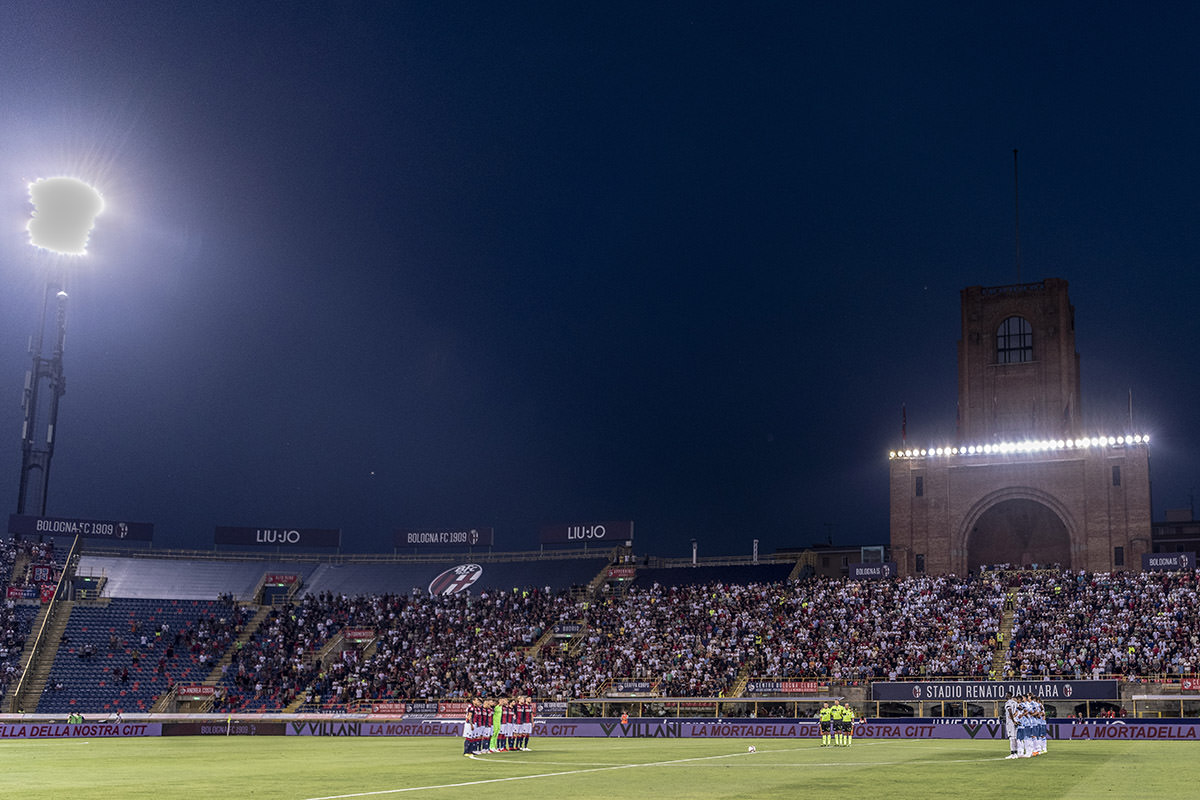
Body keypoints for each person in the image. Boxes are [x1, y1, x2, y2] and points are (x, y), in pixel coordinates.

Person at [1004, 690, 1020, 759]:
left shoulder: (1008, 703)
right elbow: (1020, 708)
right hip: (1014, 721)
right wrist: (1015, 715)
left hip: (1010, 722)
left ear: (1008, 696)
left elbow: (1009, 710)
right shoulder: (1015, 702)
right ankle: (1015, 753)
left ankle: (1013, 753)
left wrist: (1013, 719)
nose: (1005, 696)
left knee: (1011, 738)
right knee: (1014, 737)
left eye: (1006, 694)